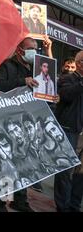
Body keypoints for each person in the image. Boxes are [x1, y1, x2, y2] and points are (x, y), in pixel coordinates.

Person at [0, 37, 41, 212]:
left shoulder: (37, 70)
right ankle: (1, 201)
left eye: (36, 48)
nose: (34, 51)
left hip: (26, 122)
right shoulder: (7, 66)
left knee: (24, 163)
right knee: (8, 164)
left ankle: (20, 200)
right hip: (8, 122)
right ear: (20, 50)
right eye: (30, 48)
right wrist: (22, 82)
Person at [54, 50, 83, 212]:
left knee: (80, 174)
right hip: (68, 129)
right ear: (80, 63)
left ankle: (74, 205)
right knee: (65, 170)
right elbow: (66, 95)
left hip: (81, 132)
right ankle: (63, 206)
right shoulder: (67, 78)